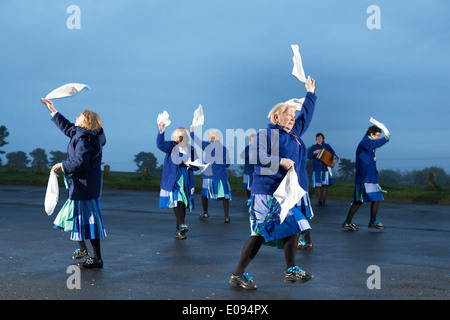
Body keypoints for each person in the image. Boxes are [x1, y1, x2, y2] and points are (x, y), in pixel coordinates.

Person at [229, 77, 316, 290]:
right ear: (277, 117)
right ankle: (290, 269)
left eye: (294, 116)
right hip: (267, 193)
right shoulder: (267, 134)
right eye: (289, 114)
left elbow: (306, 117)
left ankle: (238, 275)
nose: (293, 118)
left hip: (283, 194)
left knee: (259, 235)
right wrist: (280, 161)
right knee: (294, 224)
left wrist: (311, 94)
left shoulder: (293, 135)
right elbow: (253, 155)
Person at [41, 98, 107, 269]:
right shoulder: (82, 134)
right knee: (76, 219)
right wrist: (53, 110)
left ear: (86, 122)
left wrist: (61, 165)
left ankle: (94, 257)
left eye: (79, 116)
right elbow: (68, 128)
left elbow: (80, 162)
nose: (76, 117)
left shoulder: (85, 139)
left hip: (84, 187)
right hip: (82, 186)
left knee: (85, 221)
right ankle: (86, 252)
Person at [342, 125, 390, 231]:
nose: (378, 137)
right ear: (371, 134)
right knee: (363, 200)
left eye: (379, 135)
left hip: (370, 177)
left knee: (371, 199)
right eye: (377, 135)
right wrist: (385, 138)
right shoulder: (365, 142)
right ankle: (351, 222)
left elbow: (375, 145)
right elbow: (375, 143)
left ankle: (368, 222)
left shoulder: (368, 143)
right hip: (365, 178)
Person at [157, 123, 198, 240]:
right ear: (176, 137)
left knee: (183, 204)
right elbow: (160, 145)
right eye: (179, 136)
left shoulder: (192, 149)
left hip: (186, 181)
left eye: (184, 136)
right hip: (173, 180)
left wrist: (190, 164)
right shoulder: (171, 146)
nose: (181, 138)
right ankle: (182, 225)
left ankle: (179, 231)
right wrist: (161, 131)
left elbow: (196, 166)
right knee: (177, 201)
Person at [190, 126, 232, 223]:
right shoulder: (224, 149)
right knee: (224, 196)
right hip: (221, 175)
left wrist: (192, 132)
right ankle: (226, 216)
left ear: (210, 137)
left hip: (209, 174)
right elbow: (228, 164)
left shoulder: (208, 146)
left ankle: (205, 212)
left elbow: (197, 141)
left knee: (205, 194)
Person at [307, 133, 339, 206]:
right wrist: (314, 152)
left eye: (320, 138)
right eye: (317, 138)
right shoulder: (313, 147)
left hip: (325, 168)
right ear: (316, 139)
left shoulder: (327, 146)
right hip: (316, 168)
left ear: (323, 139)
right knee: (318, 186)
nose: (319, 139)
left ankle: (324, 201)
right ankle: (319, 201)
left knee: (324, 185)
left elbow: (334, 155)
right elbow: (308, 156)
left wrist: (336, 159)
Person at [240, 134, 256, 199]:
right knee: (247, 187)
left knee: (254, 187)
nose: (253, 141)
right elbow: (242, 156)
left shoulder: (259, 148)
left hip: (255, 171)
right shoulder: (247, 148)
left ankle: (254, 200)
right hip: (248, 171)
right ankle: (248, 199)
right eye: (251, 140)